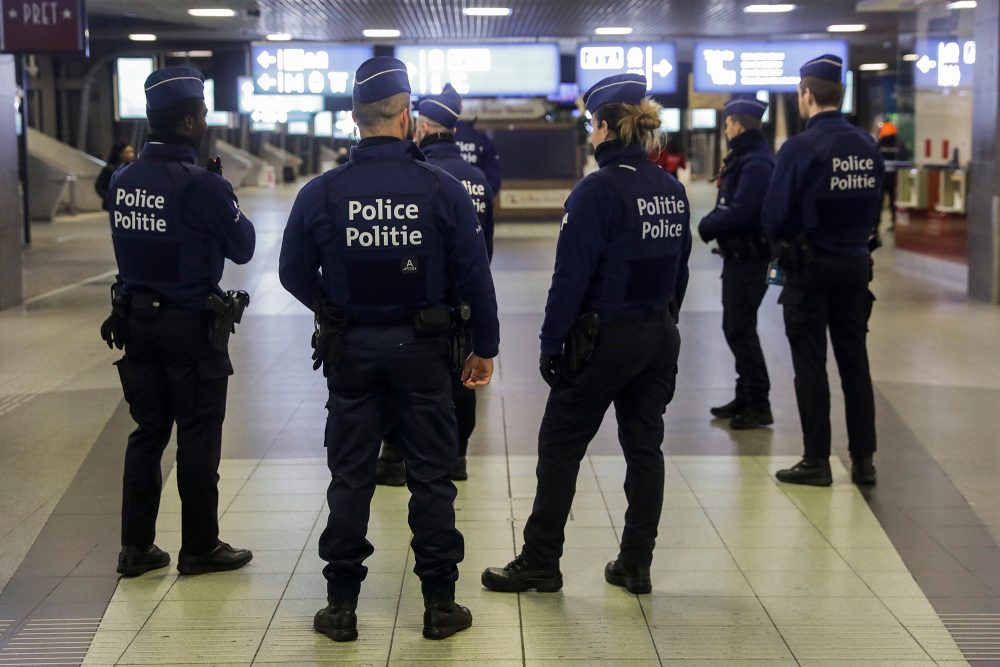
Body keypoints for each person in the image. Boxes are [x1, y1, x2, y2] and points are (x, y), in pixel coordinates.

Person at [277, 57, 500, 643]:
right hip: (425, 352)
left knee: (350, 476)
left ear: (356, 119)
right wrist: (485, 348)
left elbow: (291, 271)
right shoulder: (443, 191)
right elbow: (476, 277)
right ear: (406, 117)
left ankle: (342, 607)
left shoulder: (321, 193)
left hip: (350, 351)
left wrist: (334, 307)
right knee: (431, 477)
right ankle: (439, 606)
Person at [481, 73, 691, 595]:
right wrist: (663, 323)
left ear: (603, 128)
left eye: (591, 126)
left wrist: (552, 343)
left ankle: (540, 562)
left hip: (605, 341)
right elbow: (680, 271)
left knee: (560, 445)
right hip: (657, 335)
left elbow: (570, 276)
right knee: (645, 449)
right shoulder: (670, 189)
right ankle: (635, 564)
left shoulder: (596, 191)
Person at [102, 67, 256, 577]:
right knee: (196, 436)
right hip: (189, 328)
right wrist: (223, 195)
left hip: (137, 325)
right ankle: (200, 546)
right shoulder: (202, 186)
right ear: (190, 121)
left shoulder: (123, 182)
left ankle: (135, 547)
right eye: (204, 114)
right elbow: (244, 245)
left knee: (147, 433)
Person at [762, 54, 883, 487]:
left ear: (807, 95)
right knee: (855, 361)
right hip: (855, 264)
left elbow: (773, 216)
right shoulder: (867, 145)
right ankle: (864, 460)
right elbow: (876, 207)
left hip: (810, 269)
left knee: (811, 364)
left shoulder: (799, 148)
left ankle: (816, 460)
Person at [375, 83, 495, 486]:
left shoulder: (421, 179)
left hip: (421, 302)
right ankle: (456, 457)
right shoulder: (477, 179)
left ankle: (396, 453)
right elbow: (484, 251)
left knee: (409, 384)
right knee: (463, 382)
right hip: (464, 304)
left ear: (422, 128)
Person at [698, 95, 775, 430]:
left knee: (739, 329)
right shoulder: (746, 158)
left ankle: (759, 402)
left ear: (738, 124)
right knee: (738, 327)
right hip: (738, 258)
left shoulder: (756, 163)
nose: (726, 128)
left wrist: (707, 225)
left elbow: (743, 212)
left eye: (728, 122)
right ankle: (745, 395)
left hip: (750, 258)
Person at [455, 116, 501, 196]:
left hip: (451, 198)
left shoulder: (446, 139)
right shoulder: (483, 139)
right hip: (478, 197)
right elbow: (494, 181)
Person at [96, 141, 135, 210]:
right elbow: (99, 186)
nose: (132, 155)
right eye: (128, 152)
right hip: (113, 206)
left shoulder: (134, 168)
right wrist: (110, 197)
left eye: (132, 152)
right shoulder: (110, 169)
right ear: (120, 153)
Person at [877, 121, 899, 230]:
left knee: (879, 203)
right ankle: (894, 223)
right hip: (894, 178)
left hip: (882, 178)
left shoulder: (880, 144)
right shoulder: (898, 144)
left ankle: (876, 225)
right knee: (893, 201)